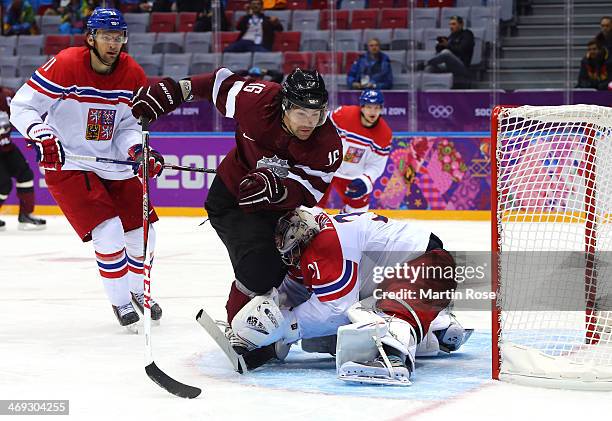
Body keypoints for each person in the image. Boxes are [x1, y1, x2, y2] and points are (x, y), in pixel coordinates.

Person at [130, 68, 343, 326]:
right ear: (285, 106)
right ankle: (239, 327)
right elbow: (214, 84)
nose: (309, 122)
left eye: (316, 114)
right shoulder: (258, 100)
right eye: (301, 113)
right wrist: (173, 91)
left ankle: (269, 319)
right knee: (260, 268)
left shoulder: (327, 144)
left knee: (287, 265)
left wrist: (279, 190)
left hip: (276, 208)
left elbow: (311, 190)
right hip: (230, 199)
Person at [9, 8, 163, 330]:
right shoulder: (66, 64)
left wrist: (137, 150)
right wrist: (42, 135)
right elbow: (22, 106)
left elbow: (127, 127)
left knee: (142, 230)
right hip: (67, 162)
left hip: (111, 161)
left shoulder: (132, 74)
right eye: (107, 36)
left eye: (118, 36)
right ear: (91, 38)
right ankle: (121, 302)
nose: (113, 43)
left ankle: (138, 291)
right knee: (108, 231)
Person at [229, 209, 472, 384]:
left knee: (374, 315)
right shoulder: (308, 232)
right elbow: (294, 292)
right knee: (324, 341)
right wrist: (261, 321)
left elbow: (335, 309)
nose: (291, 259)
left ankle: (394, 360)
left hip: (428, 266)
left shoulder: (325, 243)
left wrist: (283, 328)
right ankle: (439, 331)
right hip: (416, 270)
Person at [318, 89, 392, 213]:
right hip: (326, 167)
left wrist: (365, 180)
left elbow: (376, 165)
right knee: (310, 210)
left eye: (376, 107)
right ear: (362, 107)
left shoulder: (384, 134)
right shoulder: (344, 114)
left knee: (358, 216)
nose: (373, 111)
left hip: (353, 175)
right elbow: (321, 128)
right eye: (369, 107)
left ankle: (345, 221)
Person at [0, 87, 46, 231]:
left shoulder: (7, 95)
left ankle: (25, 215)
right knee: (4, 185)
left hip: (7, 146)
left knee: (26, 175)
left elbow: (22, 113)